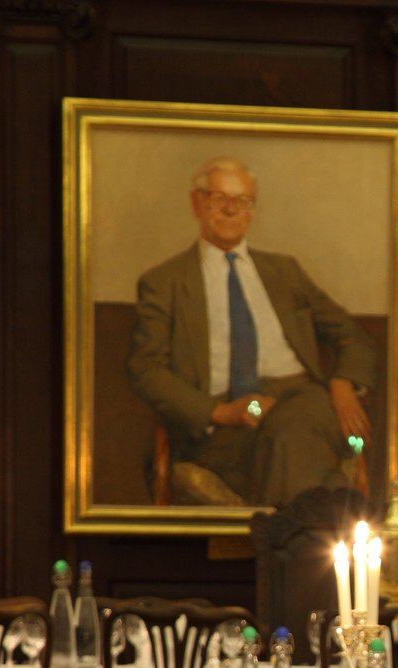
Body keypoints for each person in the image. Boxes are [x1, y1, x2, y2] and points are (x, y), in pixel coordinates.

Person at [126, 156, 376, 507]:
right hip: (225, 426)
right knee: (293, 448)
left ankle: (282, 544)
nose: (232, 210)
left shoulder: (284, 272)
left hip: (301, 401)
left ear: (252, 210)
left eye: (243, 201)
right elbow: (145, 369)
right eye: (219, 199)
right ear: (196, 203)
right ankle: (320, 531)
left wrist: (342, 382)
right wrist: (220, 412)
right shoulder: (165, 282)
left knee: (293, 427)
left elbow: (351, 335)